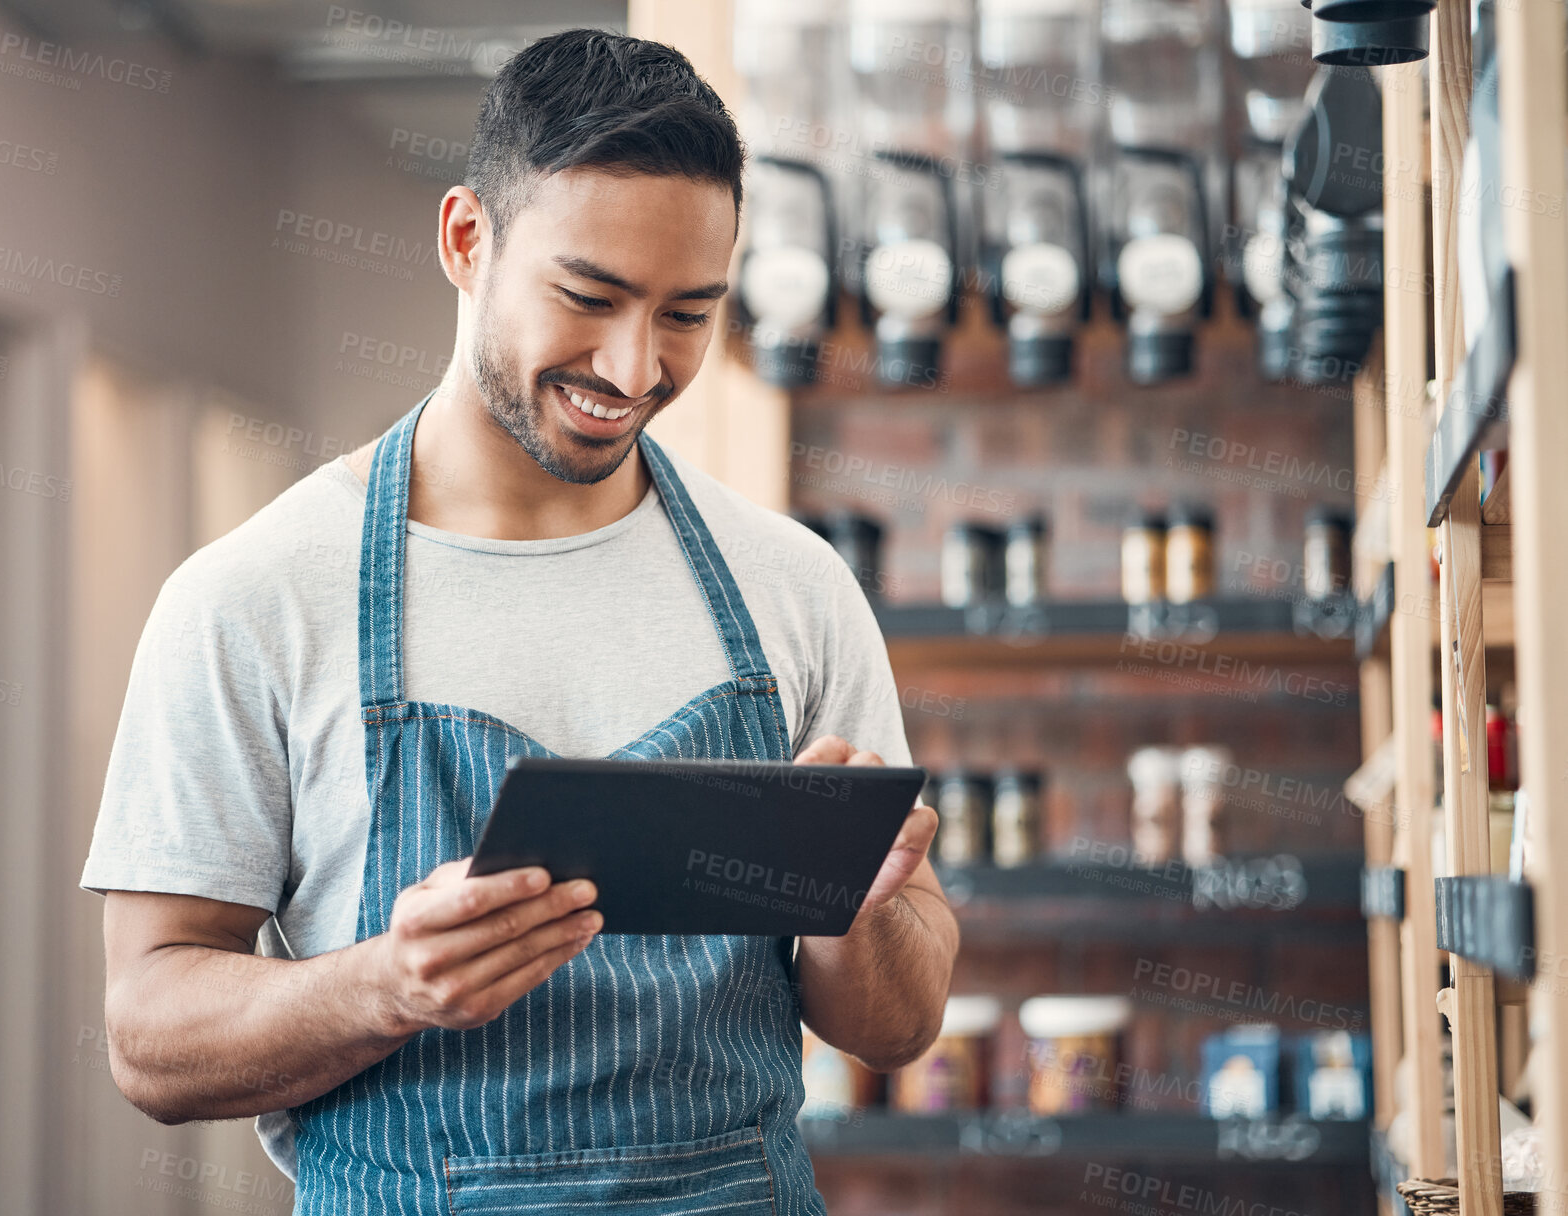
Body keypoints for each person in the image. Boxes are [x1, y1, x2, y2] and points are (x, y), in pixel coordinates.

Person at [82, 26, 957, 1215]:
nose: (635, 365)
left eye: (688, 313)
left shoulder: (793, 587)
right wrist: (388, 984)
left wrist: (865, 913)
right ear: (465, 238)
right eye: (588, 296)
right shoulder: (254, 597)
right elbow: (148, 1036)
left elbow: (897, 1030)